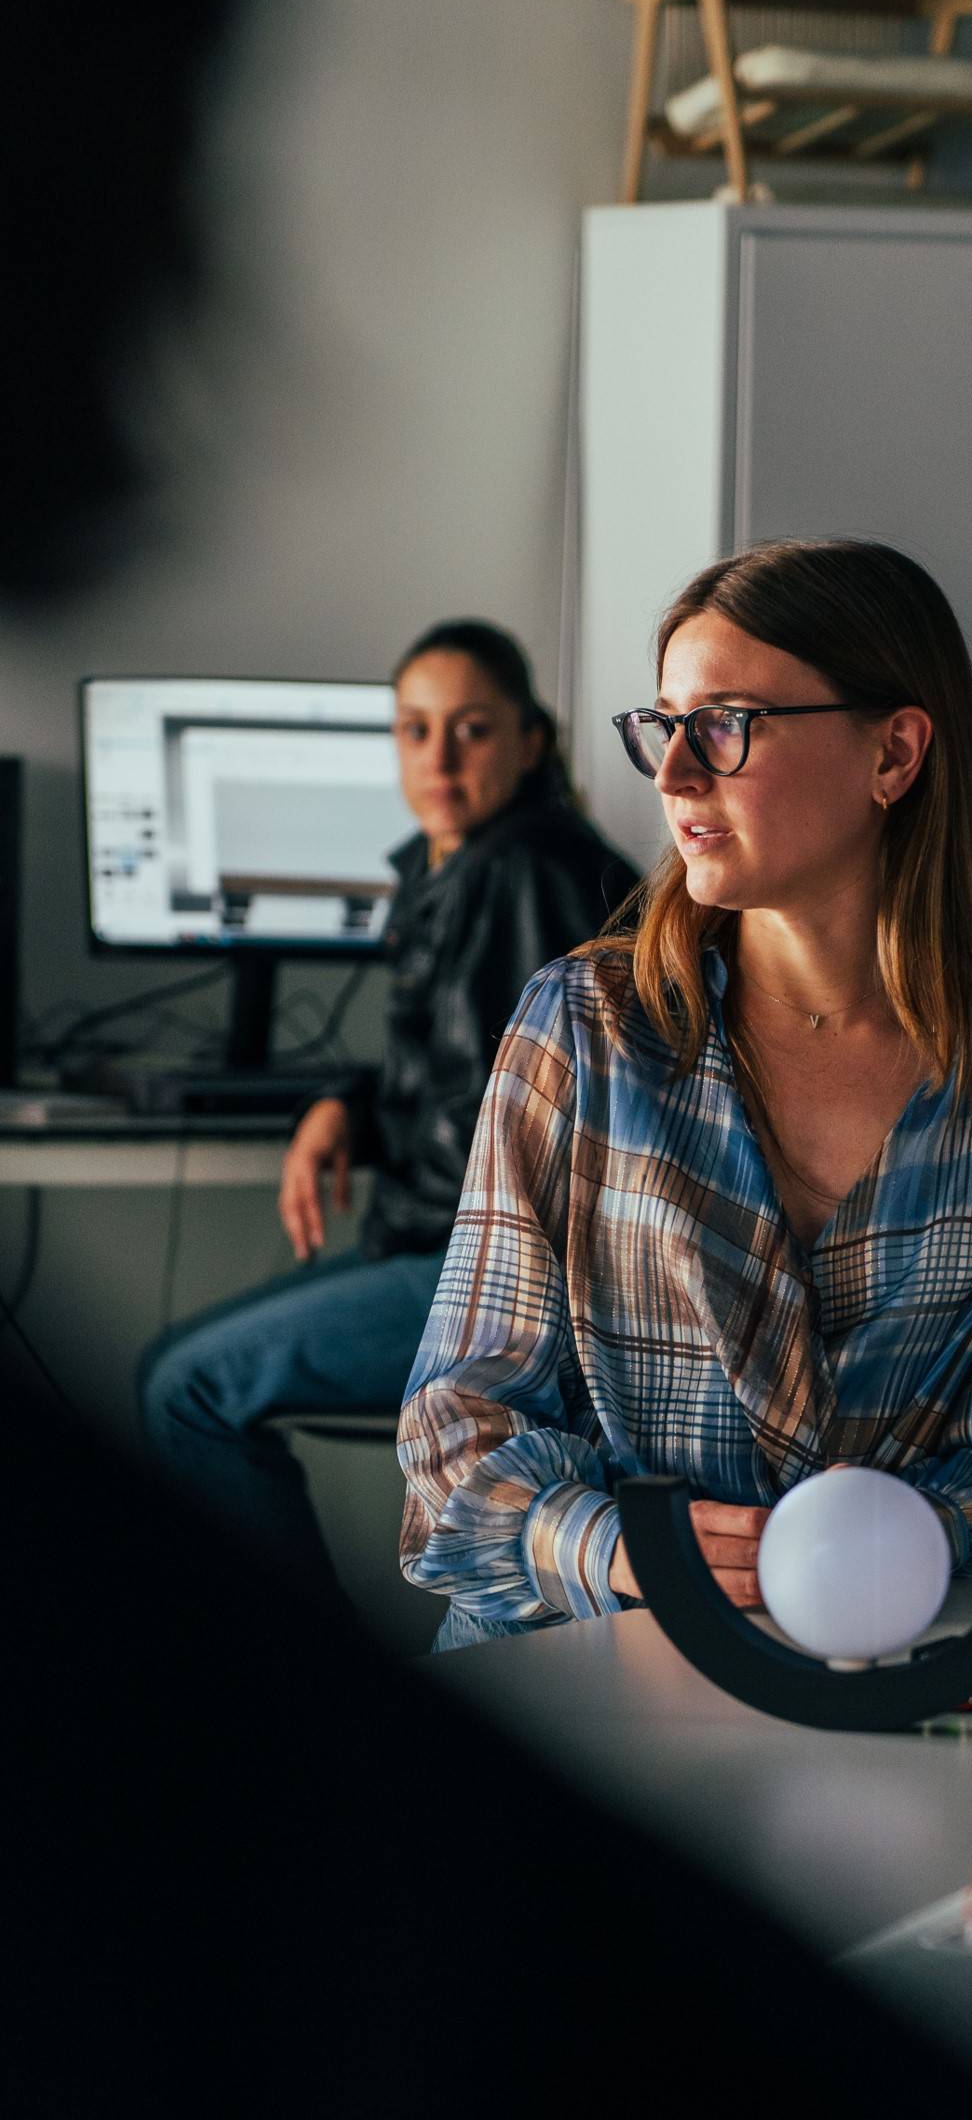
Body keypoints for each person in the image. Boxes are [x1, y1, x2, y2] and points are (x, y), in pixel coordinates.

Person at [398, 538, 972, 1648]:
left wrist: (869, 1551)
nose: (672, 775)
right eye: (663, 724)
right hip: (575, 1647)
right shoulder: (584, 1023)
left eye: (725, 724)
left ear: (893, 754)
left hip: (886, 1654)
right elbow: (454, 1431)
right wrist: (622, 1548)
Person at [137, 620, 638, 1589]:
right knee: (176, 1369)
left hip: (499, 1274)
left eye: (471, 729)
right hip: (446, 1246)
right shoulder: (457, 863)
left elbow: (518, 1119)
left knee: (186, 1390)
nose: (438, 758)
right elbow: (466, 1066)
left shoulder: (524, 871)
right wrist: (347, 1105)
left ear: (530, 740)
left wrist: (356, 1114)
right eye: (415, 729)